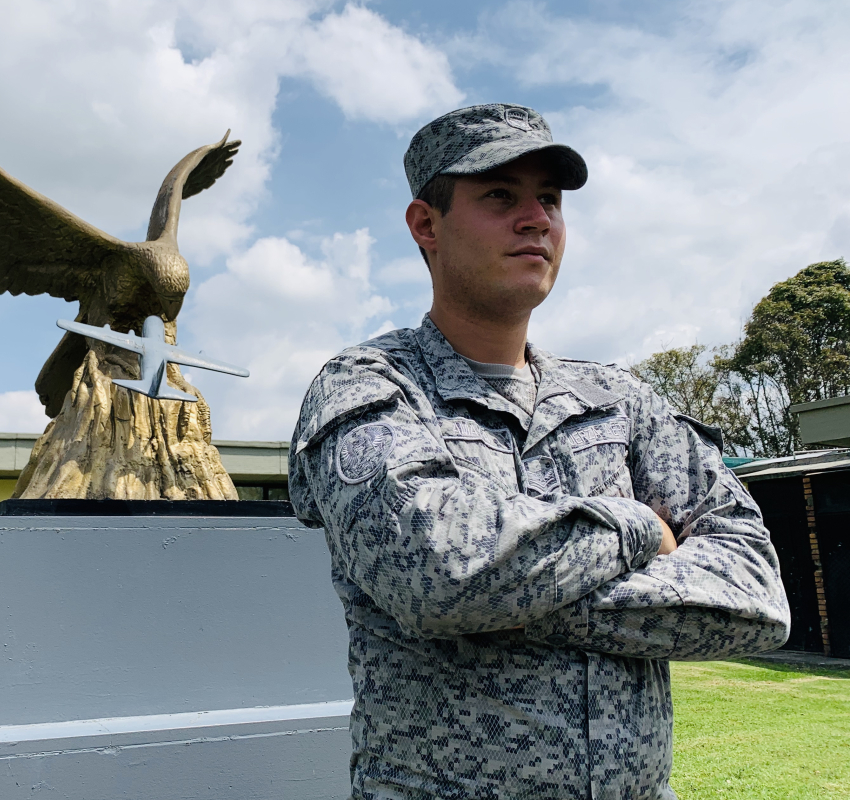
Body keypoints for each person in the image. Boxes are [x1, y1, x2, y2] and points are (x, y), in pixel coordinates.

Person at [287, 104, 790, 800]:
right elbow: (439, 573)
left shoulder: (620, 400)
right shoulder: (372, 385)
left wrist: (509, 596)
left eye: (549, 200)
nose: (537, 219)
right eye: (501, 196)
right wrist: (639, 526)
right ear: (426, 225)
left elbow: (757, 595)